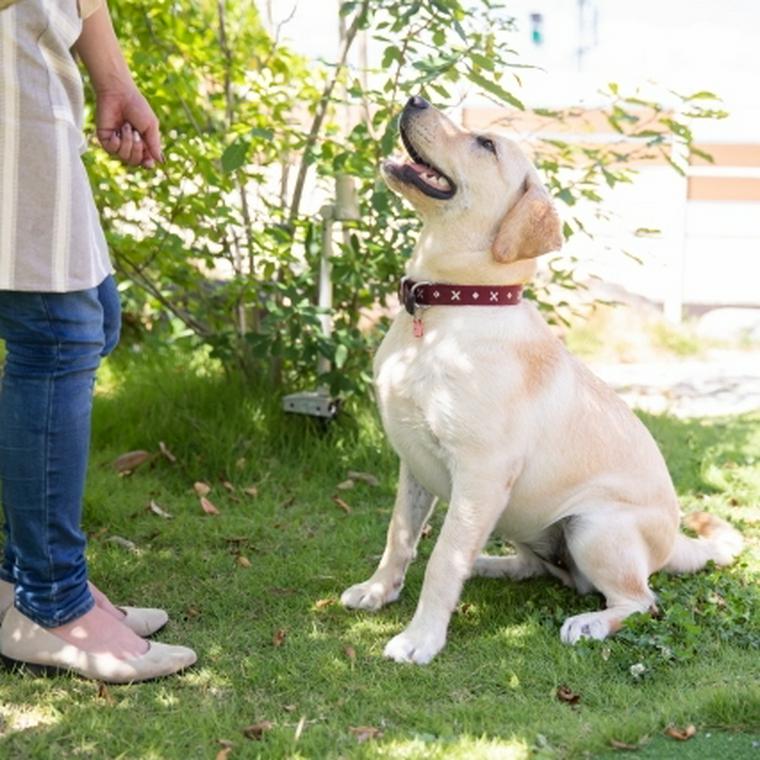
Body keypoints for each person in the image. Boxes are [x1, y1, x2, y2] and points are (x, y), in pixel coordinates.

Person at [0, 0, 196, 682]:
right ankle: (50, 601)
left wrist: (113, 78)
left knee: (91, 320)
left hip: (38, 60)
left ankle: (17, 578)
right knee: (57, 332)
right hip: (9, 63)